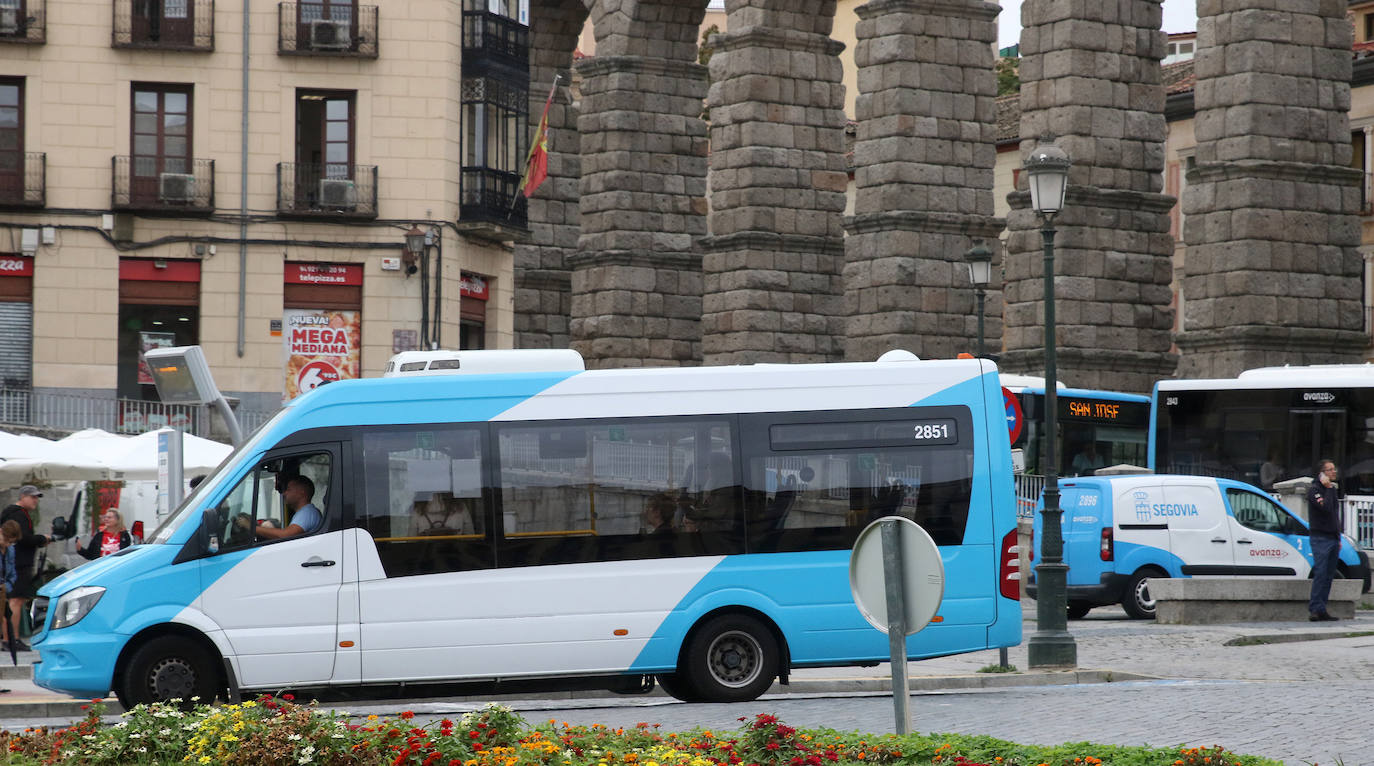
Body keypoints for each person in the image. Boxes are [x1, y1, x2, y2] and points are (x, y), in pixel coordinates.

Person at [0, 486, 46, 652]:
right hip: (19, 565)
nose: (36, 501)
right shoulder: (20, 514)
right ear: (23, 497)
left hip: (12, 565)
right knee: (16, 601)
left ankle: (8, 638)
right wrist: (42, 539)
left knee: (10, 601)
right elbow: (24, 539)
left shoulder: (8, 512)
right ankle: (12, 638)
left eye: (37, 497)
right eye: (33, 497)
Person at [1306, 458, 1342, 622]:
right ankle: (1314, 609)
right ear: (1322, 474)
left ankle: (1322, 609)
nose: (1334, 472)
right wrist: (1327, 488)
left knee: (1328, 575)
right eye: (1330, 470)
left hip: (1332, 538)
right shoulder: (1315, 490)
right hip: (1320, 538)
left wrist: (1338, 537)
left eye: (1334, 469)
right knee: (1320, 574)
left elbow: (1334, 515)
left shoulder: (1331, 490)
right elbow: (1326, 508)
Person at [256, 475, 323, 540]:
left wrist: (254, 528)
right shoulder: (307, 512)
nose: (284, 493)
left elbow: (285, 536)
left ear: (302, 492)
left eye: (288, 489)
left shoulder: (307, 513)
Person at [0, 521, 18, 654]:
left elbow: (12, 572)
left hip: (3, 590)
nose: (7, 544)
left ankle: (6, 642)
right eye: (6, 540)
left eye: (11, 542)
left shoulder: (10, 550)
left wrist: (7, 586)